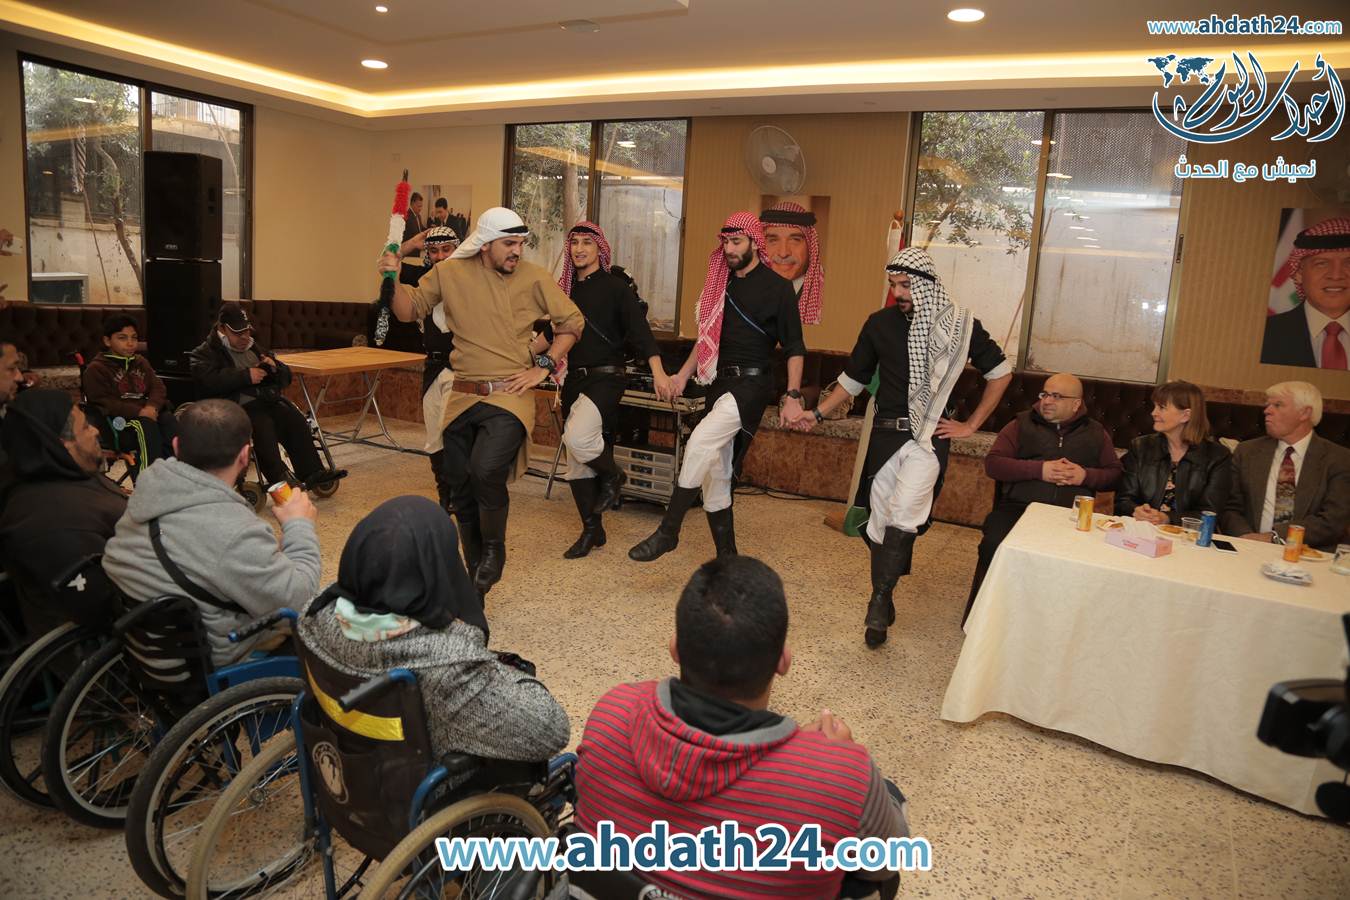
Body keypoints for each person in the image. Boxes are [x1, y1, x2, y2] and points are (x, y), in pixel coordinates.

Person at [573, 556, 910, 899]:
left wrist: (805, 756)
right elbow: (889, 861)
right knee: (883, 810)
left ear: (675, 648)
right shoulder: (842, 778)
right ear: (783, 661)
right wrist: (831, 761)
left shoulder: (612, 713)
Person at [797, 248, 1011, 648]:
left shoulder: (961, 326)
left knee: (904, 513)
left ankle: (878, 601)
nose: (898, 293)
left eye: (906, 285)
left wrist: (972, 425)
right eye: (893, 284)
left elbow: (1000, 372)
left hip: (929, 438)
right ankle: (887, 590)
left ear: (927, 285)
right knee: (878, 522)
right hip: (885, 436)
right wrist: (818, 414)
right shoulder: (878, 324)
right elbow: (853, 379)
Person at [382, 207, 584, 595]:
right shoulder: (449, 273)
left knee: (485, 469)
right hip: (462, 394)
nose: (517, 251)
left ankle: (494, 550)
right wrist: (390, 277)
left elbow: (572, 322)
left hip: (511, 393)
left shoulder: (534, 277)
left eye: (520, 244)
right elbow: (408, 310)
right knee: (458, 485)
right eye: (509, 244)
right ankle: (475, 579)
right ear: (486, 244)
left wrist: (543, 366)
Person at [297, 496, 569, 762]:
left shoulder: (315, 614)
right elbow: (551, 732)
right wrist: (499, 668)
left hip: (351, 765)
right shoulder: (451, 665)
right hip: (432, 780)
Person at [629, 212, 807, 562]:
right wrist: (682, 376)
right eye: (725, 242)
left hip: (752, 385)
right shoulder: (721, 284)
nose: (729, 248)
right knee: (717, 475)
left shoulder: (778, 288)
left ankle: (668, 531)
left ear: (755, 242)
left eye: (736, 241)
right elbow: (707, 339)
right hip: (719, 383)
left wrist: (793, 395)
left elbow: (795, 347)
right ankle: (727, 560)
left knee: (699, 442)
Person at [103, 399, 322, 665]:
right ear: (245, 455)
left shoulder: (145, 496)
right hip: (219, 662)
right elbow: (300, 601)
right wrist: (298, 526)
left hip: (151, 654)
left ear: (176, 446)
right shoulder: (235, 530)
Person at [550, 222, 671, 559]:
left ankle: (613, 474)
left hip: (606, 378)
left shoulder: (616, 288)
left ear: (599, 249)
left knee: (576, 438)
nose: (579, 249)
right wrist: (526, 357)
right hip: (574, 379)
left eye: (587, 243)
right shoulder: (565, 292)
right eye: (574, 242)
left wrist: (659, 373)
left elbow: (641, 333)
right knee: (577, 462)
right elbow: (551, 334)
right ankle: (592, 531)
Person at [963, 373, 1122, 624]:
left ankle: (1060, 619)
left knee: (1087, 558)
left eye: (1056, 396)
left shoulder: (1096, 433)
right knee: (994, 544)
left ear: (1076, 403)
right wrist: (1040, 470)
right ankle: (992, 615)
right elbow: (993, 464)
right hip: (1019, 509)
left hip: (1071, 516)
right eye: (1045, 394)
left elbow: (1115, 475)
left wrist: (1085, 475)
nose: (1047, 401)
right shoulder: (1020, 425)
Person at [0, 390, 127, 632]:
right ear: (61, 443)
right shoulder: (48, 521)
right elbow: (99, 606)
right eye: (85, 427)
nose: (95, 431)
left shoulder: (67, 473)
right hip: (109, 636)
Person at [188, 303, 342, 491]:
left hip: (265, 400)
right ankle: (279, 478)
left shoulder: (254, 347)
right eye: (238, 333)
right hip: (233, 406)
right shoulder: (203, 353)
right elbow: (208, 381)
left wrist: (276, 368)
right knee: (263, 425)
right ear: (222, 328)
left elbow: (286, 377)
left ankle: (312, 472)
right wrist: (246, 376)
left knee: (295, 420)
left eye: (247, 331)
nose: (244, 337)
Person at [1221, 381, 1350, 551]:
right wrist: (1246, 538)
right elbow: (1230, 507)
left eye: (1277, 405)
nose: (1267, 411)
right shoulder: (1247, 451)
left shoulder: (1339, 459)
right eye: (1267, 405)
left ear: (1305, 413)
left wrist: (1274, 538)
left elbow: (1333, 520)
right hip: (1247, 548)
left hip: (1309, 554)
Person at [1115, 380, 1232, 526]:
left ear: (1185, 415)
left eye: (1162, 407)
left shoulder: (1218, 456)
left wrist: (1167, 518)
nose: (1153, 413)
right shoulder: (1140, 447)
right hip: (1142, 530)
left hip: (1189, 536)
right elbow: (1123, 500)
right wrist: (1135, 510)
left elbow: (1209, 513)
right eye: (1155, 406)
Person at [82, 313, 177, 467]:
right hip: (116, 423)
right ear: (107, 341)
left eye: (134, 338)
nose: (130, 343)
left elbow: (157, 387)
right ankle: (149, 476)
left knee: (168, 420)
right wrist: (140, 412)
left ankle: (173, 470)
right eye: (122, 338)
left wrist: (152, 407)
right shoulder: (97, 369)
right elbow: (104, 402)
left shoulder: (140, 362)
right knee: (144, 426)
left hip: (145, 414)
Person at [1262, 217, 1350, 369]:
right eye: (1321, 264)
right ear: (1299, 273)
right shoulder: (1264, 334)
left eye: (1349, 264)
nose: (1336, 275)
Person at [759, 201, 823, 326]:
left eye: (795, 240)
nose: (783, 253)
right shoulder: (746, 290)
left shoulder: (828, 294)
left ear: (810, 246)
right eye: (773, 240)